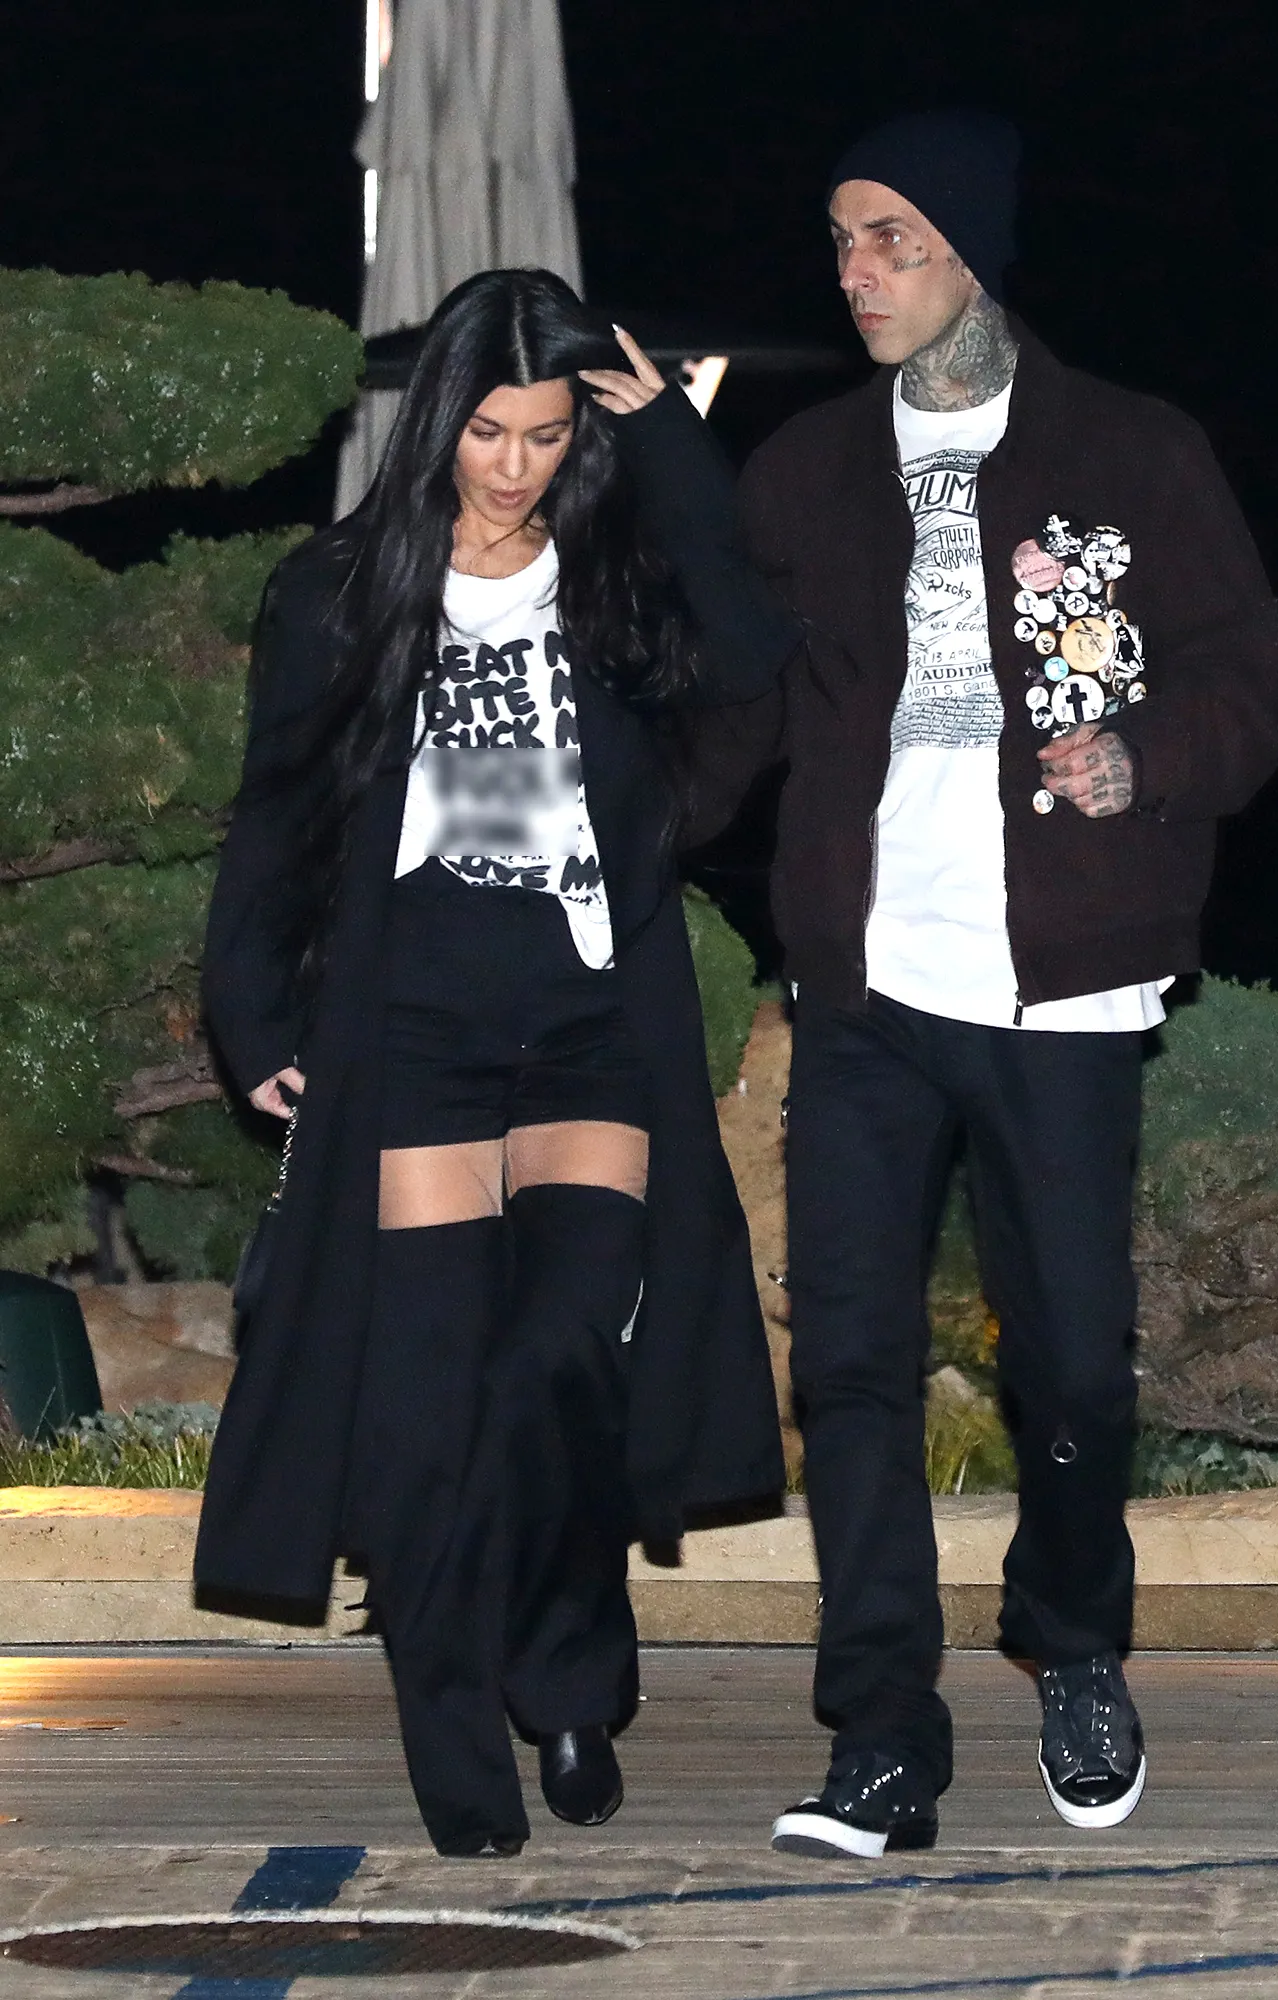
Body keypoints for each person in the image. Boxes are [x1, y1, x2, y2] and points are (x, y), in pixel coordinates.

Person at [694, 110, 1278, 1852]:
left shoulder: (1133, 448)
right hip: (868, 985)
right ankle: (884, 1733)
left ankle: (1074, 1638)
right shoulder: (806, 468)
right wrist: (598, 831)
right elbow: (737, 707)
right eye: (840, 240)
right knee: (852, 1363)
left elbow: (1244, 679)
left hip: (1065, 989)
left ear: (971, 249)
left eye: (890, 238)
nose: (856, 271)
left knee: (1079, 1368)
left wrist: (1146, 757)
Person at [196, 269, 795, 1857]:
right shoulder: (341, 591)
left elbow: (752, 656)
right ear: (437, 424)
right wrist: (252, 1017)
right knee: (425, 1409)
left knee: (556, 1362)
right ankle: (455, 1735)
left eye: (544, 435)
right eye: (487, 432)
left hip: (590, 1022)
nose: (515, 465)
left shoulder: (617, 576)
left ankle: (570, 1673)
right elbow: (277, 811)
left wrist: (666, 443)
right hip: (415, 1032)